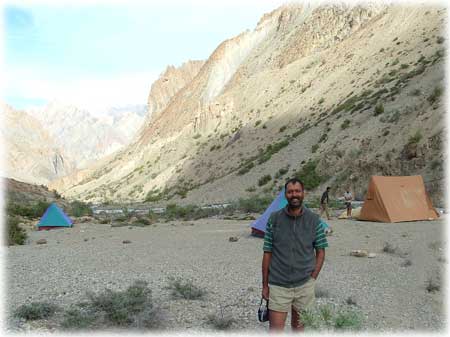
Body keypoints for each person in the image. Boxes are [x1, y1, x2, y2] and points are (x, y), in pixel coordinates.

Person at [262, 178, 328, 331]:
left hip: (304, 285)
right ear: (285, 195)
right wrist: (265, 285)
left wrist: (313, 278)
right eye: (290, 192)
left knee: (299, 329)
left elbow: (321, 251)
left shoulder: (314, 220)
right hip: (279, 284)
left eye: (297, 191)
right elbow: (267, 253)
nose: (294, 195)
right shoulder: (274, 219)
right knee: (276, 330)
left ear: (303, 193)